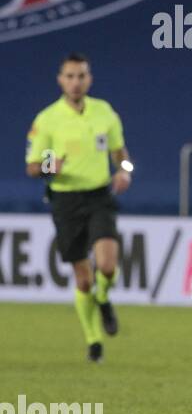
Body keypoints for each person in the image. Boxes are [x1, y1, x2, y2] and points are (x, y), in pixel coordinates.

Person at [24, 53, 132, 363]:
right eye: (70, 76)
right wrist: (49, 165)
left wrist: (124, 171)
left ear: (89, 79)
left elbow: (120, 153)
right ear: (60, 80)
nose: (75, 82)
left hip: (99, 195)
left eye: (81, 76)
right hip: (66, 199)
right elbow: (31, 166)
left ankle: (103, 297)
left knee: (108, 265)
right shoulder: (47, 119)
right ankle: (94, 340)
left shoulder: (104, 113)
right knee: (83, 277)